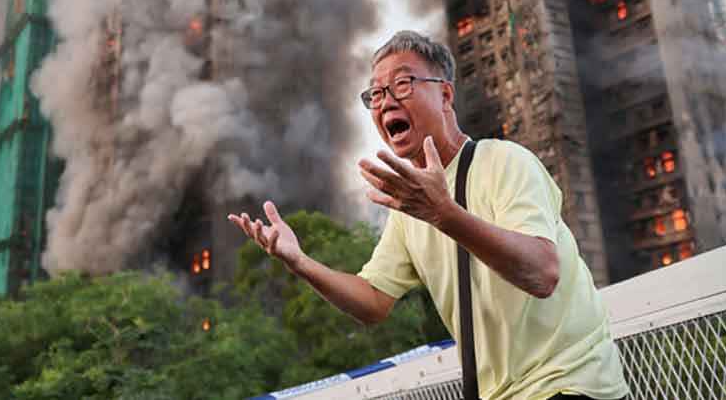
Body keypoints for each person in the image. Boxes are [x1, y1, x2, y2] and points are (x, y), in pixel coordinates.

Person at [228, 30, 630, 400]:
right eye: (376, 93)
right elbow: (372, 301)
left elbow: (542, 273)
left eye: (402, 84)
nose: (386, 100)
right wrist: (300, 263)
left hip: (570, 385)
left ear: (446, 96)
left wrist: (444, 214)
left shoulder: (505, 162)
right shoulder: (410, 210)